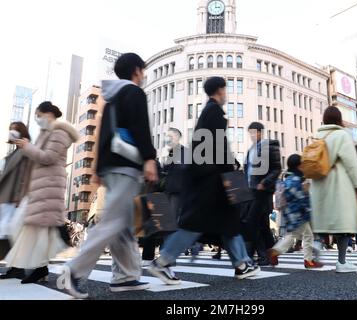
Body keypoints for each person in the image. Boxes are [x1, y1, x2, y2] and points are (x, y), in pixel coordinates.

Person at [62, 53, 159, 299]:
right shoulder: (134, 93)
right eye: (143, 70)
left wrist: (96, 169)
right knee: (114, 222)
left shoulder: (112, 97)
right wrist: (149, 157)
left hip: (111, 164)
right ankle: (74, 271)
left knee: (124, 224)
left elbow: (100, 135)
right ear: (137, 70)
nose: (144, 75)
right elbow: (140, 127)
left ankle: (125, 278)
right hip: (127, 164)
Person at [148, 77, 259, 285]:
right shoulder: (214, 112)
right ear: (219, 90)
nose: (226, 93)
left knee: (227, 222)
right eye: (225, 89)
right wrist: (232, 167)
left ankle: (242, 264)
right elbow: (218, 146)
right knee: (196, 223)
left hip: (208, 177)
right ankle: (162, 262)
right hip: (209, 179)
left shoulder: (210, 112)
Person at [3, 102, 79, 284]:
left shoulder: (60, 132)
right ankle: (39, 268)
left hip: (49, 187)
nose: (37, 119)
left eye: (39, 115)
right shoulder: (46, 133)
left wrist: (27, 147)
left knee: (33, 229)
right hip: (41, 188)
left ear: (48, 114)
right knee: (33, 230)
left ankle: (41, 266)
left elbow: (48, 157)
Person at [311, 107, 357, 273]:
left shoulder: (318, 135)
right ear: (339, 119)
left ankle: (316, 243)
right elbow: (351, 162)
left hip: (319, 184)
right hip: (338, 184)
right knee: (343, 224)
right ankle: (342, 262)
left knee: (323, 221)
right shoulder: (342, 135)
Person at [268, 154, 324, 269]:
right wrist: (309, 209)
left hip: (289, 214)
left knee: (292, 235)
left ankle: (275, 251)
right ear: (298, 166)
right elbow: (301, 199)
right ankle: (308, 261)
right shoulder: (296, 180)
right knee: (308, 235)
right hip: (298, 214)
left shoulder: (288, 178)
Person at [141, 128, 187, 266]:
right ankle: (165, 256)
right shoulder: (171, 154)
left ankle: (167, 258)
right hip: (168, 192)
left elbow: (182, 171)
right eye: (167, 136)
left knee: (170, 225)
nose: (168, 139)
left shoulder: (183, 152)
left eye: (171, 136)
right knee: (166, 225)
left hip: (177, 192)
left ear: (178, 138)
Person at [243, 122, 281, 266]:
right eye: (250, 133)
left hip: (262, 191)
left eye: (254, 132)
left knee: (252, 222)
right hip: (251, 192)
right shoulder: (251, 150)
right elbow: (247, 172)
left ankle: (251, 255)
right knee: (262, 225)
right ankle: (270, 256)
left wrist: (264, 183)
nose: (252, 135)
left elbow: (277, 169)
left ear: (260, 132)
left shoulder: (269, 147)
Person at [0, 122, 32, 280]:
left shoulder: (25, 150)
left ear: (22, 132)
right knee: (7, 233)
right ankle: (15, 267)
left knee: (11, 233)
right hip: (6, 198)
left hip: (14, 198)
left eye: (15, 129)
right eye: (10, 129)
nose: (12, 132)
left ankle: (18, 267)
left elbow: (25, 176)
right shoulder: (14, 153)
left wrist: (21, 197)